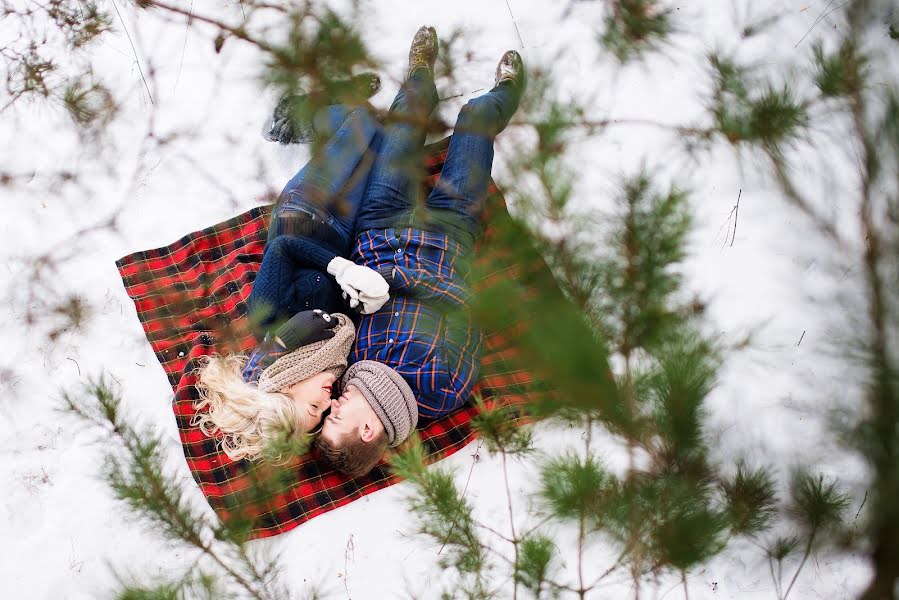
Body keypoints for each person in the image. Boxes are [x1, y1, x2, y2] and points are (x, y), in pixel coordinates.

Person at [315, 26, 526, 477]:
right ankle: (506, 92)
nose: (332, 405)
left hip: (379, 228)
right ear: (368, 429)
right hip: (449, 237)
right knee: (474, 121)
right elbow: (465, 303)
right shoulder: (441, 389)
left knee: (400, 129)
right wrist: (395, 282)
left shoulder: (355, 368)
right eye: (337, 418)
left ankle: (420, 78)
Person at [193, 86, 396, 463]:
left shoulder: (268, 321)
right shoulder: (330, 352)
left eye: (312, 411)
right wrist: (358, 296)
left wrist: (339, 267)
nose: (326, 404)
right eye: (325, 415)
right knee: (381, 141)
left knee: (364, 122)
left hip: (305, 210)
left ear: (285, 388)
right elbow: (344, 302)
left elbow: (281, 248)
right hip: (342, 230)